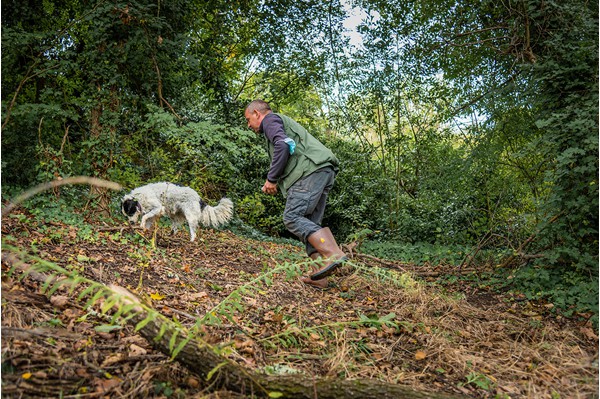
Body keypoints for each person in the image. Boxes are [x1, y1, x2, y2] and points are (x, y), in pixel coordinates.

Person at [244, 99, 347, 289]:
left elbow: (283, 145)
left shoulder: (270, 121)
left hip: (310, 171)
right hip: (321, 170)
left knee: (292, 217)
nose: (249, 125)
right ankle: (320, 276)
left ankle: (333, 253)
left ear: (257, 114)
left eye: (249, 119)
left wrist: (271, 179)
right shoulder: (277, 123)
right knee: (309, 224)